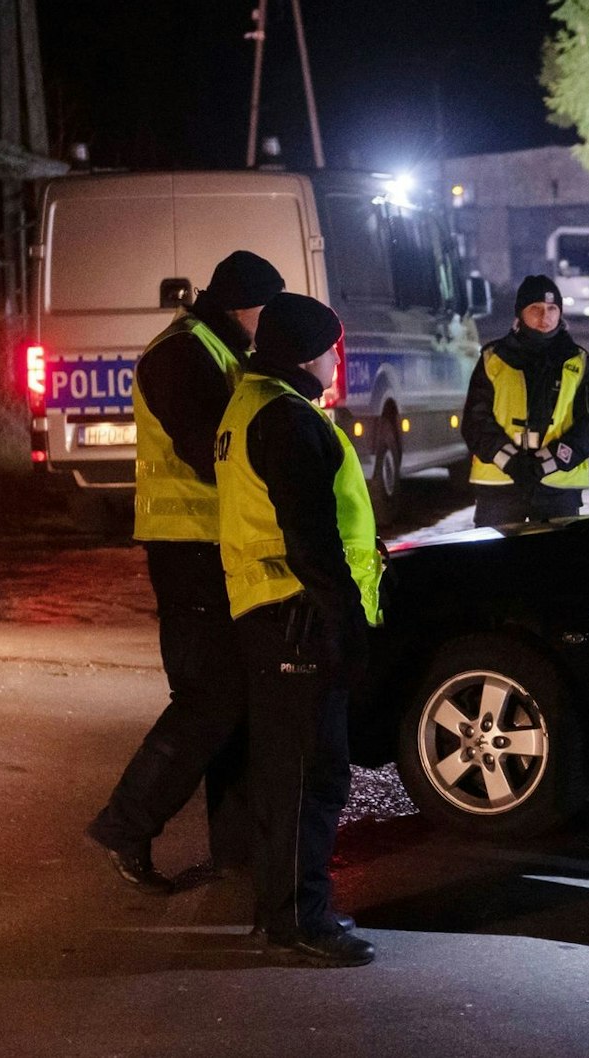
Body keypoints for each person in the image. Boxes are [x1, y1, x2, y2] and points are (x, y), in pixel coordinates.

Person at [86, 250, 284, 892]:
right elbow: (208, 450)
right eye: (267, 309)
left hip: (217, 546)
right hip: (188, 549)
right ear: (238, 304)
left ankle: (236, 850)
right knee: (208, 700)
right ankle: (126, 823)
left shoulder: (220, 349)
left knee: (236, 700)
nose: (271, 321)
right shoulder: (181, 354)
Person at [215, 292, 382, 967]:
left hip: (277, 612)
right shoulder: (284, 417)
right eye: (330, 346)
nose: (336, 357)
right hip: (297, 616)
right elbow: (312, 537)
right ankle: (296, 920)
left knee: (297, 772)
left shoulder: (255, 402)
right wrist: (346, 621)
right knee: (309, 776)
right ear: (305, 353)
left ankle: (287, 910)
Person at [462, 275, 589, 526]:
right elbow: (476, 422)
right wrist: (511, 461)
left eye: (552, 309)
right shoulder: (493, 359)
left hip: (558, 485)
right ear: (520, 313)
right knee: (491, 563)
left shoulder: (578, 361)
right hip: (500, 484)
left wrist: (547, 461)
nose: (545, 316)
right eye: (535, 309)